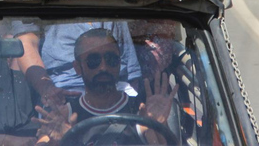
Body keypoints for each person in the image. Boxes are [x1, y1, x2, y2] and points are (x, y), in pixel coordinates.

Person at [33, 29, 178, 145]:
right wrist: (57, 142)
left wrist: (159, 125)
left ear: (119, 63)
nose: (103, 67)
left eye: (111, 59)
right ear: (78, 67)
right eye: (93, 60)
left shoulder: (141, 113)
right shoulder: (65, 116)